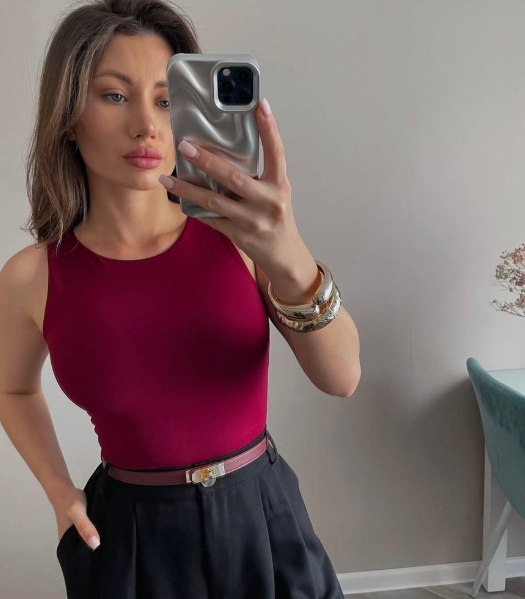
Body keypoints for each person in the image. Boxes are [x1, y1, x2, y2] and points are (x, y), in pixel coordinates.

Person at [0, 0, 361, 597]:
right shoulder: (32, 276)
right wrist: (59, 492)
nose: (146, 125)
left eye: (167, 101)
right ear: (68, 115)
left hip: (263, 522)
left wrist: (288, 249)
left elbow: (342, 377)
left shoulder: (243, 240)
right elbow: (12, 388)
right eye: (114, 95)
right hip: (130, 540)